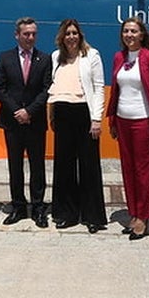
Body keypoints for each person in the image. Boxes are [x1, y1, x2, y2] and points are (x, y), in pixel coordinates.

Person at [106, 17, 149, 240]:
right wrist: (112, 121)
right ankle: (133, 213)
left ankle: (143, 216)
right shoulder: (119, 57)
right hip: (123, 120)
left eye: (133, 31)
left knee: (143, 172)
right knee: (128, 169)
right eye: (126, 31)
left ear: (142, 35)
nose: (129, 35)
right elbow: (116, 91)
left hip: (144, 121)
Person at [47, 19, 107, 233]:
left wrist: (96, 119)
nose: (71, 37)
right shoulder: (56, 57)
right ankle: (67, 213)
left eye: (74, 33)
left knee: (89, 166)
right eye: (67, 33)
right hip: (62, 114)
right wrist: (51, 115)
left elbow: (99, 88)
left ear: (80, 35)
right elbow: (52, 86)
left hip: (84, 113)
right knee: (64, 166)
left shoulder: (92, 55)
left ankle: (93, 216)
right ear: (61, 37)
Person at [0, 17, 53, 227]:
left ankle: (38, 208)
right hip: (12, 121)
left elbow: (47, 89)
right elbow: (0, 88)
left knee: (37, 166)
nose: (30, 37)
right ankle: (18, 207)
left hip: (35, 122)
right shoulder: (5, 57)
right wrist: (17, 111)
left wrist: (29, 111)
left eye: (33, 34)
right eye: (26, 34)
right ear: (17, 35)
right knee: (15, 166)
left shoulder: (44, 59)